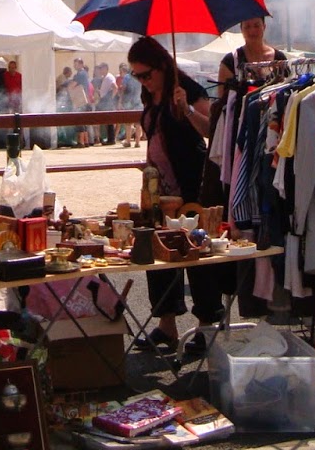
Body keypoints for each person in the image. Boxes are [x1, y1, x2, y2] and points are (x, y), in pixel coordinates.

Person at [128, 36, 223, 360]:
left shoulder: (186, 88)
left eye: (145, 74)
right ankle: (167, 323)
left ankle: (207, 324)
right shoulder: (149, 94)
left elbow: (212, 130)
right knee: (158, 251)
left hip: (190, 183)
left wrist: (186, 111)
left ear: (162, 66)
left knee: (195, 251)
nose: (142, 81)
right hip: (160, 188)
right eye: (137, 76)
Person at [117, 60, 143, 148]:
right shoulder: (140, 76)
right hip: (138, 101)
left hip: (129, 102)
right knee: (138, 123)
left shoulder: (127, 77)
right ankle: (137, 142)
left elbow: (123, 89)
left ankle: (128, 141)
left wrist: (120, 101)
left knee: (128, 123)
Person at [94, 63, 119, 144]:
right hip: (104, 100)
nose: (100, 70)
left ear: (105, 69)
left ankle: (111, 140)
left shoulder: (109, 77)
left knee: (109, 121)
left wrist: (110, 98)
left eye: (101, 68)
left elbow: (115, 87)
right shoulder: (105, 77)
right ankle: (110, 139)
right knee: (107, 120)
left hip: (106, 100)